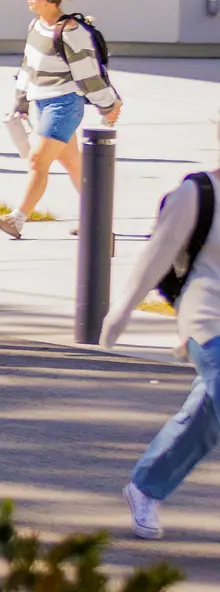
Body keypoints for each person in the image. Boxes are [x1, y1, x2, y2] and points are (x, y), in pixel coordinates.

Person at [103, 163, 220, 540]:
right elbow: (156, 255)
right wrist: (121, 310)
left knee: (207, 416)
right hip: (207, 318)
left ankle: (147, 486)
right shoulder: (198, 193)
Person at [0, 0, 121, 240]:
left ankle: (17, 219)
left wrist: (108, 105)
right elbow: (28, 65)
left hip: (64, 105)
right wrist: (21, 99)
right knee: (73, 164)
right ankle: (98, 219)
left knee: (38, 160)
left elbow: (89, 76)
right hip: (42, 104)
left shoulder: (71, 32)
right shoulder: (36, 26)